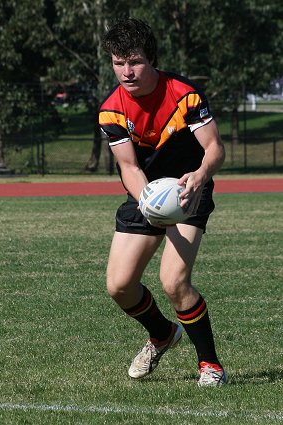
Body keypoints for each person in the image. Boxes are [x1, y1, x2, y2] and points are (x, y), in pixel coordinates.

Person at [99, 17, 228, 386]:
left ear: (151, 59)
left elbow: (215, 149)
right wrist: (148, 201)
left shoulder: (184, 94)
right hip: (147, 195)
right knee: (119, 286)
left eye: (134, 61)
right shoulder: (111, 109)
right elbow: (128, 167)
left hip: (190, 192)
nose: (126, 71)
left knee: (173, 281)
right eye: (118, 62)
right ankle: (162, 334)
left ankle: (211, 366)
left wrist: (201, 177)